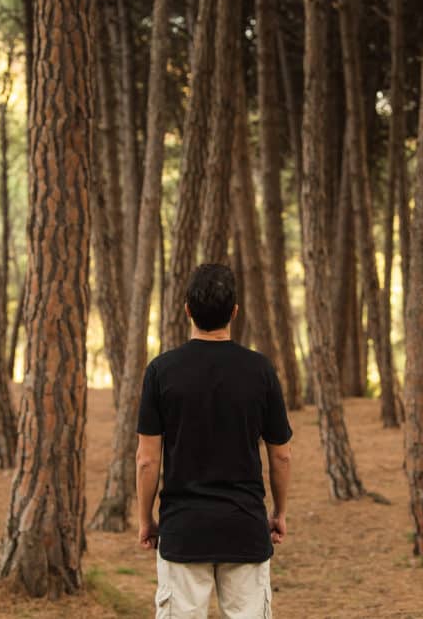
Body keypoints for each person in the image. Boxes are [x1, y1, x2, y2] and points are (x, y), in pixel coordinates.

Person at [136, 263, 293, 619]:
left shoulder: (161, 371)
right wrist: (279, 512)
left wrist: (146, 519)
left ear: (187, 309)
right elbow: (281, 456)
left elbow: (147, 459)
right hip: (245, 527)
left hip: (183, 530)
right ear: (234, 312)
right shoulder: (261, 370)